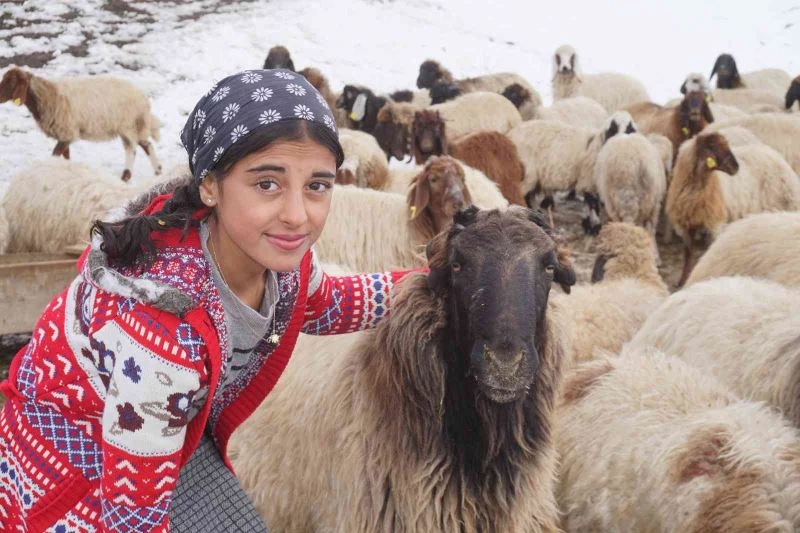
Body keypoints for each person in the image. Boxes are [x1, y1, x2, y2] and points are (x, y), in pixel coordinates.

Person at [0, 69, 415, 532]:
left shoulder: (273, 262)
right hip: (70, 474)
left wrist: (434, 284)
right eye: (267, 184)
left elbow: (327, 302)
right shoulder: (165, 338)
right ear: (210, 185)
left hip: (154, 428)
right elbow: (133, 513)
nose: (298, 216)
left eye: (317, 186)